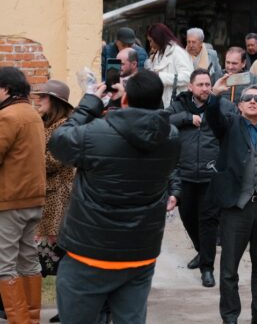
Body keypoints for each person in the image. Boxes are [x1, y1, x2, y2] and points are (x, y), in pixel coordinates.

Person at [48, 69, 181, 324]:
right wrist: (127, 104)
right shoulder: (172, 137)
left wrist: (90, 103)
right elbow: (146, 123)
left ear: (126, 99)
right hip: (139, 253)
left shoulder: (95, 133)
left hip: (90, 251)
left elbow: (58, 142)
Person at [206, 84, 257, 324]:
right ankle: (230, 317)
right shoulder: (229, 126)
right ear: (239, 105)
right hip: (235, 207)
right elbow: (212, 117)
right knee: (229, 268)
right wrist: (214, 95)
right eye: (247, 98)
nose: (252, 101)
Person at [167, 69, 232, 288]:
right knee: (187, 217)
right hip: (184, 174)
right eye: (201, 84)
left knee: (208, 222)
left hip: (209, 175)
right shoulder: (179, 104)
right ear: (191, 87)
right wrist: (187, 118)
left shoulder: (220, 105)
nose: (205, 88)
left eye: (208, 84)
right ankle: (202, 251)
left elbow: (230, 126)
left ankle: (207, 268)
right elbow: (164, 120)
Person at [0, 67, 45, 324]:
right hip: (32, 200)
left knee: (4, 266)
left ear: (5, 89)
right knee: (28, 261)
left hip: (10, 201)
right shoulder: (31, 113)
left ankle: (21, 322)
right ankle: (31, 319)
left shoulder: (8, 116)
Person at [30, 80, 75, 323]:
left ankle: (68, 309)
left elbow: (50, 162)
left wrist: (25, 155)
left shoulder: (64, 128)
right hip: (47, 197)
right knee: (42, 257)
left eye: (44, 97)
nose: (39, 101)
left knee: (58, 258)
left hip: (59, 198)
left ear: (55, 102)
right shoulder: (48, 124)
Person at [144, 23, 194, 108]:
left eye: (151, 41)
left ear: (158, 38)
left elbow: (188, 77)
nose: (150, 45)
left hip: (177, 103)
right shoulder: (158, 54)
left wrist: (160, 76)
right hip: (161, 102)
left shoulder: (178, 52)